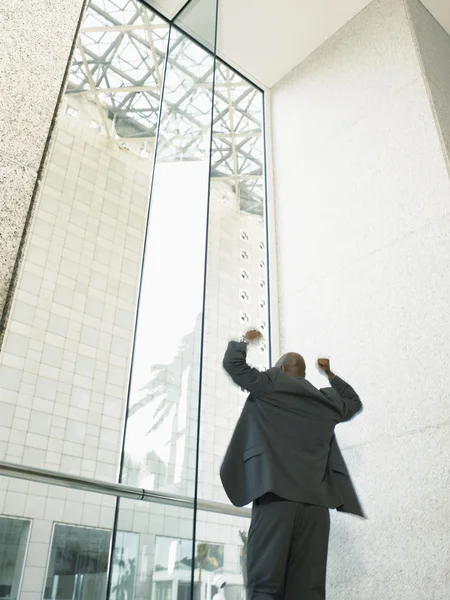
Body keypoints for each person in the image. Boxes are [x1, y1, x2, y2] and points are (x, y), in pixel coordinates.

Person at [220, 330, 364, 600]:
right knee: (308, 590)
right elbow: (353, 403)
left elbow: (233, 366)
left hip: (277, 500)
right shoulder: (326, 400)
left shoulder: (273, 382)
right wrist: (330, 375)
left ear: (282, 369)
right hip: (317, 508)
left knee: (265, 584)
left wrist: (244, 339)